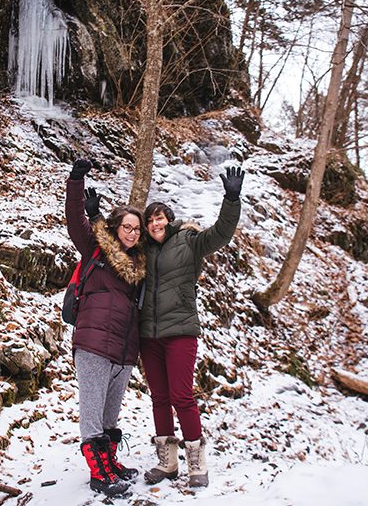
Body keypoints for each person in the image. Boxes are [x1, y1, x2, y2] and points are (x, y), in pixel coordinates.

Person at [140, 166, 244, 488]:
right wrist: (96, 216)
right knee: (159, 397)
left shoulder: (189, 241)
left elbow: (221, 234)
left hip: (181, 331)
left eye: (160, 218)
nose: (155, 224)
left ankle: (196, 462)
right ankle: (167, 462)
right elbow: (113, 242)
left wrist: (231, 198)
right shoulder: (142, 250)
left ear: (169, 220)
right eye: (150, 220)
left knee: (181, 395)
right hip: (148, 334)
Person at [65, 157, 146, 497]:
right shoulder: (94, 249)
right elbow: (74, 220)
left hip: (125, 349)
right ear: (115, 228)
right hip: (95, 343)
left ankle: (110, 463)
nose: (132, 232)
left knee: (110, 413)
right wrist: (76, 181)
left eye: (136, 228)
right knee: (93, 413)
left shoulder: (140, 266)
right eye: (126, 226)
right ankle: (99, 474)